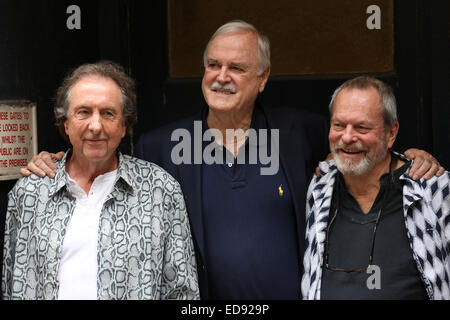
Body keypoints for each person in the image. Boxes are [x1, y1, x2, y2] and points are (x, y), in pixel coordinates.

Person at [21, 21, 444, 299]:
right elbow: (100, 158)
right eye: (212, 65)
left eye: (237, 67)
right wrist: (57, 160)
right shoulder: (160, 145)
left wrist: (411, 155)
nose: (221, 76)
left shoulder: (300, 133)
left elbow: (359, 148)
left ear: (262, 78)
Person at [2, 62, 199, 300]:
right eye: (83, 112)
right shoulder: (32, 192)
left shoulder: (160, 191)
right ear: (66, 122)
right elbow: (13, 283)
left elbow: (182, 291)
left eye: (108, 113)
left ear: (124, 125)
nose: (95, 126)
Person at [302, 76, 449, 300]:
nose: (347, 137)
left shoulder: (432, 188)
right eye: (339, 125)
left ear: (391, 133)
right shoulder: (319, 187)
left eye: (362, 127)